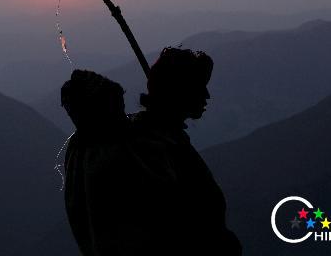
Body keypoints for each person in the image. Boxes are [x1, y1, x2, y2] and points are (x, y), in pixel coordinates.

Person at [61, 47, 242, 255]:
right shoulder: (150, 150)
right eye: (199, 86)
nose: (207, 95)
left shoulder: (156, 140)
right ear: (179, 92)